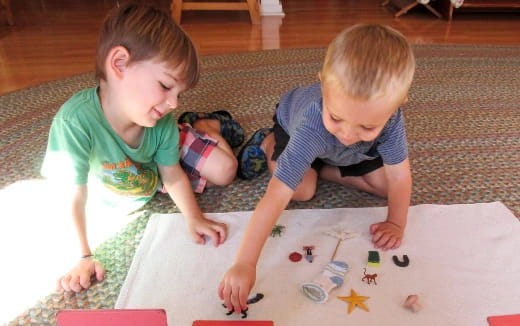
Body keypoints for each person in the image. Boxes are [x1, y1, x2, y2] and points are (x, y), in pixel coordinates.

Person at [41, 3, 244, 293]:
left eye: (178, 94)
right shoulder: (74, 123)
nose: (174, 102)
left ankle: (207, 126)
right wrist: (84, 255)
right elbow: (69, 198)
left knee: (225, 171)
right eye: (165, 86)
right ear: (120, 64)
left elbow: (171, 174)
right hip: (143, 173)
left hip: (161, 150)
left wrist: (194, 217)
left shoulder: (162, 119)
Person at [219, 24, 415, 313]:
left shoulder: (391, 120)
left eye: (368, 125)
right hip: (294, 127)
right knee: (301, 190)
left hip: (340, 154)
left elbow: (400, 176)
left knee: (388, 187)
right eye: (337, 117)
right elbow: (275, 197)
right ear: (323, 85)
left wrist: (396, 223)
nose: (347, 134)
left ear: (396, 107)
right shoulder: (312, 125)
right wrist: (244, 263)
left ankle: (316, 165)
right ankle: (270, 143)